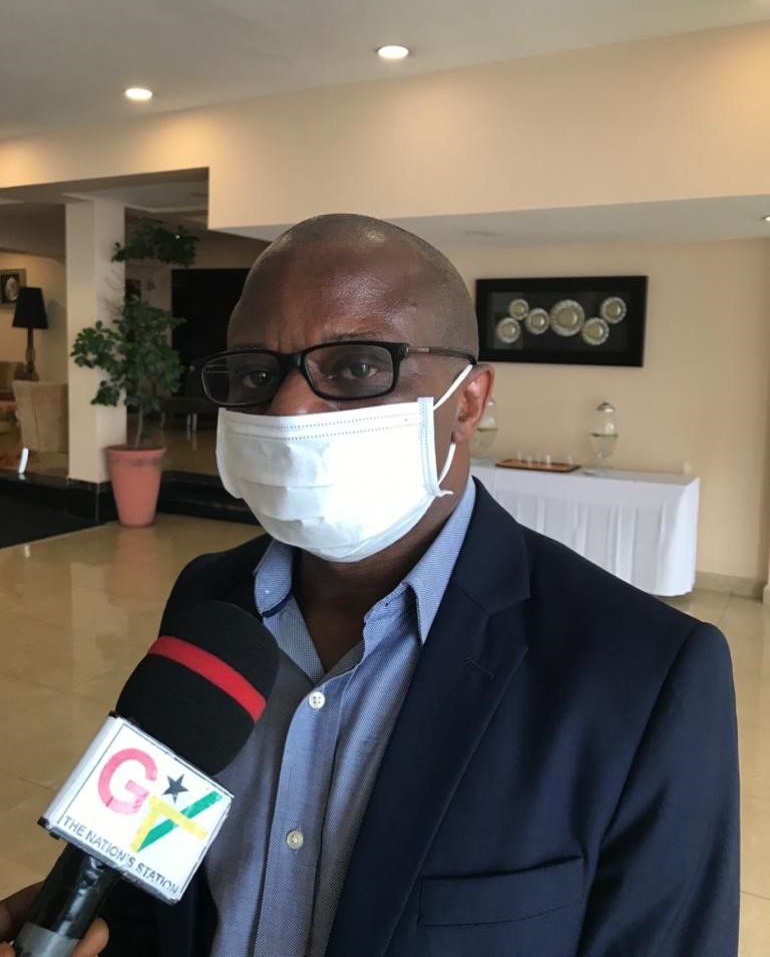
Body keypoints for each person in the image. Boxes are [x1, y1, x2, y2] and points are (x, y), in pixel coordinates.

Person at [1, 214, 739, 957]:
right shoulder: (210, 598)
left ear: (468, 402)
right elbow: (153, 875)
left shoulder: (643, 672)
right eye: (256, 374)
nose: (289, 409)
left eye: (357, 366)